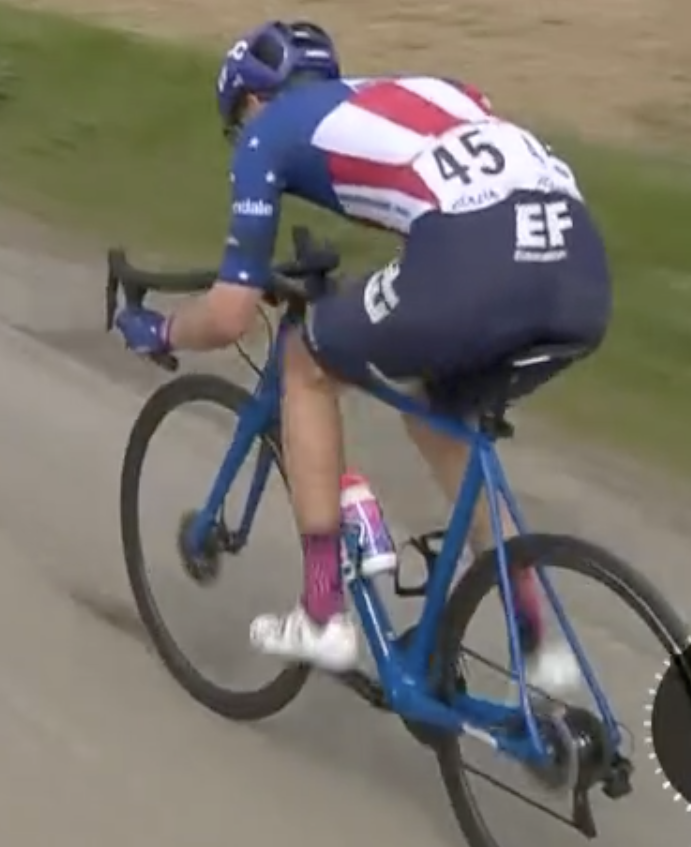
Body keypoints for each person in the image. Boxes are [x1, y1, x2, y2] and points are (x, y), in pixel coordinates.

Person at [115, 20, 611, 697]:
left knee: (304, 360)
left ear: (253, 101)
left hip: (478, 258)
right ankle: (539, 639)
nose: (243, 136)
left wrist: (161, 329)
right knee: (440, 410)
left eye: (237, 122)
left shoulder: (270, 129)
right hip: (579, 273)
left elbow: (232, 313)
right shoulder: (425, 92)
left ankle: (323, 611)